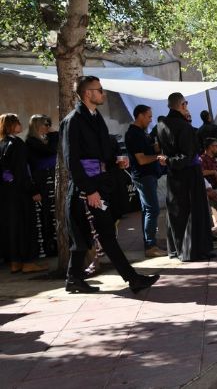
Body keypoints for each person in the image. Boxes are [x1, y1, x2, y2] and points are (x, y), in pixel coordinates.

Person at [60, 76, 159, 293]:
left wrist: (116, 159)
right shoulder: (73, 121)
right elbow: (71, 161)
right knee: (105, 234)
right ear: (88, 94)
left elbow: (105, 148)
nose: (103, 93)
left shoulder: (96, 118)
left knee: (81, 238)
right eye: (100, 90)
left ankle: (72, 279)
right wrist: (89, 190)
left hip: (100, 185)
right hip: (86, 190)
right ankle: (133, 279)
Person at [156, 92, 216, 261]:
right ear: (182, 105)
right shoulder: (183, 126)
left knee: (177, 211)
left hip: (174, 173)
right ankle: (193, 250)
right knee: (191, 211)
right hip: (189, 175)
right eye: (186, 104)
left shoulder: (161, 124)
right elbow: (187, 155)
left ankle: (176, 249)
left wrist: (168, 160)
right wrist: (171, 160)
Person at [0, 114, 48, 273]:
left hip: (7, 193)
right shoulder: (17, 144)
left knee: (13, 227)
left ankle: (15, 262)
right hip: (21, 192)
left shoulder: (2, 143)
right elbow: (22, 171)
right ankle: (28, 262)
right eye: (17, 122)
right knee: (27, 226)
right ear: (11, 125)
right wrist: (33, 190)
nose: (21, 124)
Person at [124, 105, 165, 258]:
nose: (150, 120)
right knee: (152, 209)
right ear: (140, 115)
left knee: (147, 210)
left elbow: (150, 149)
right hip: (143, 175)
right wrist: (158, 157)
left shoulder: (142, 133)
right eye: (148, 116)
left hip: (148, 175)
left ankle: (150, 242)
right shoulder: (133, 134)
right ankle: (150, 245)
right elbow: (141, 160)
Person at [26, 114, 59, 257]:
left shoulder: (43, 139)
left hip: (51, 177)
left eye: (49, 124)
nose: (48, 127)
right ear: (37, 126)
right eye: (45, 125)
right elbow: (50, 151)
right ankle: (49, 246)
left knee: (55, 211)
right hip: (42, 181)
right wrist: (53, 135)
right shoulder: (31, 141)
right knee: (47, 214)